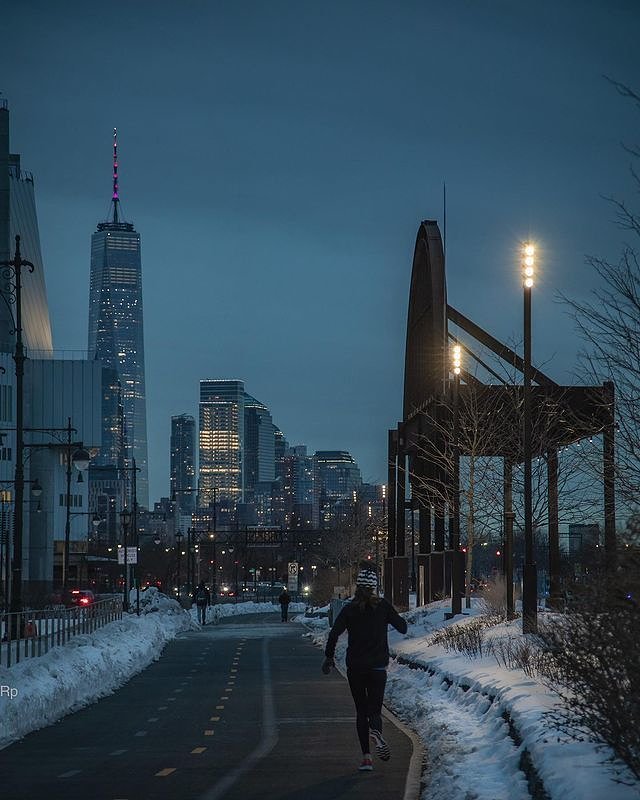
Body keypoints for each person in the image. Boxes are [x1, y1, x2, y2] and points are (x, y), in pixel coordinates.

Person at [322, 563, 408, 772]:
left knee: (361, 711)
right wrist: (389, 615)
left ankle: (367, 758)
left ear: (358, 586)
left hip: (356, 667)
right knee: (375, 711)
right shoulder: (383, 606)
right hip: (378, 667)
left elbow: (334, 633)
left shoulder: (350, 609)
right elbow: (403, 628)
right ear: (374, 587)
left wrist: (329, 657)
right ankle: (376, 732)